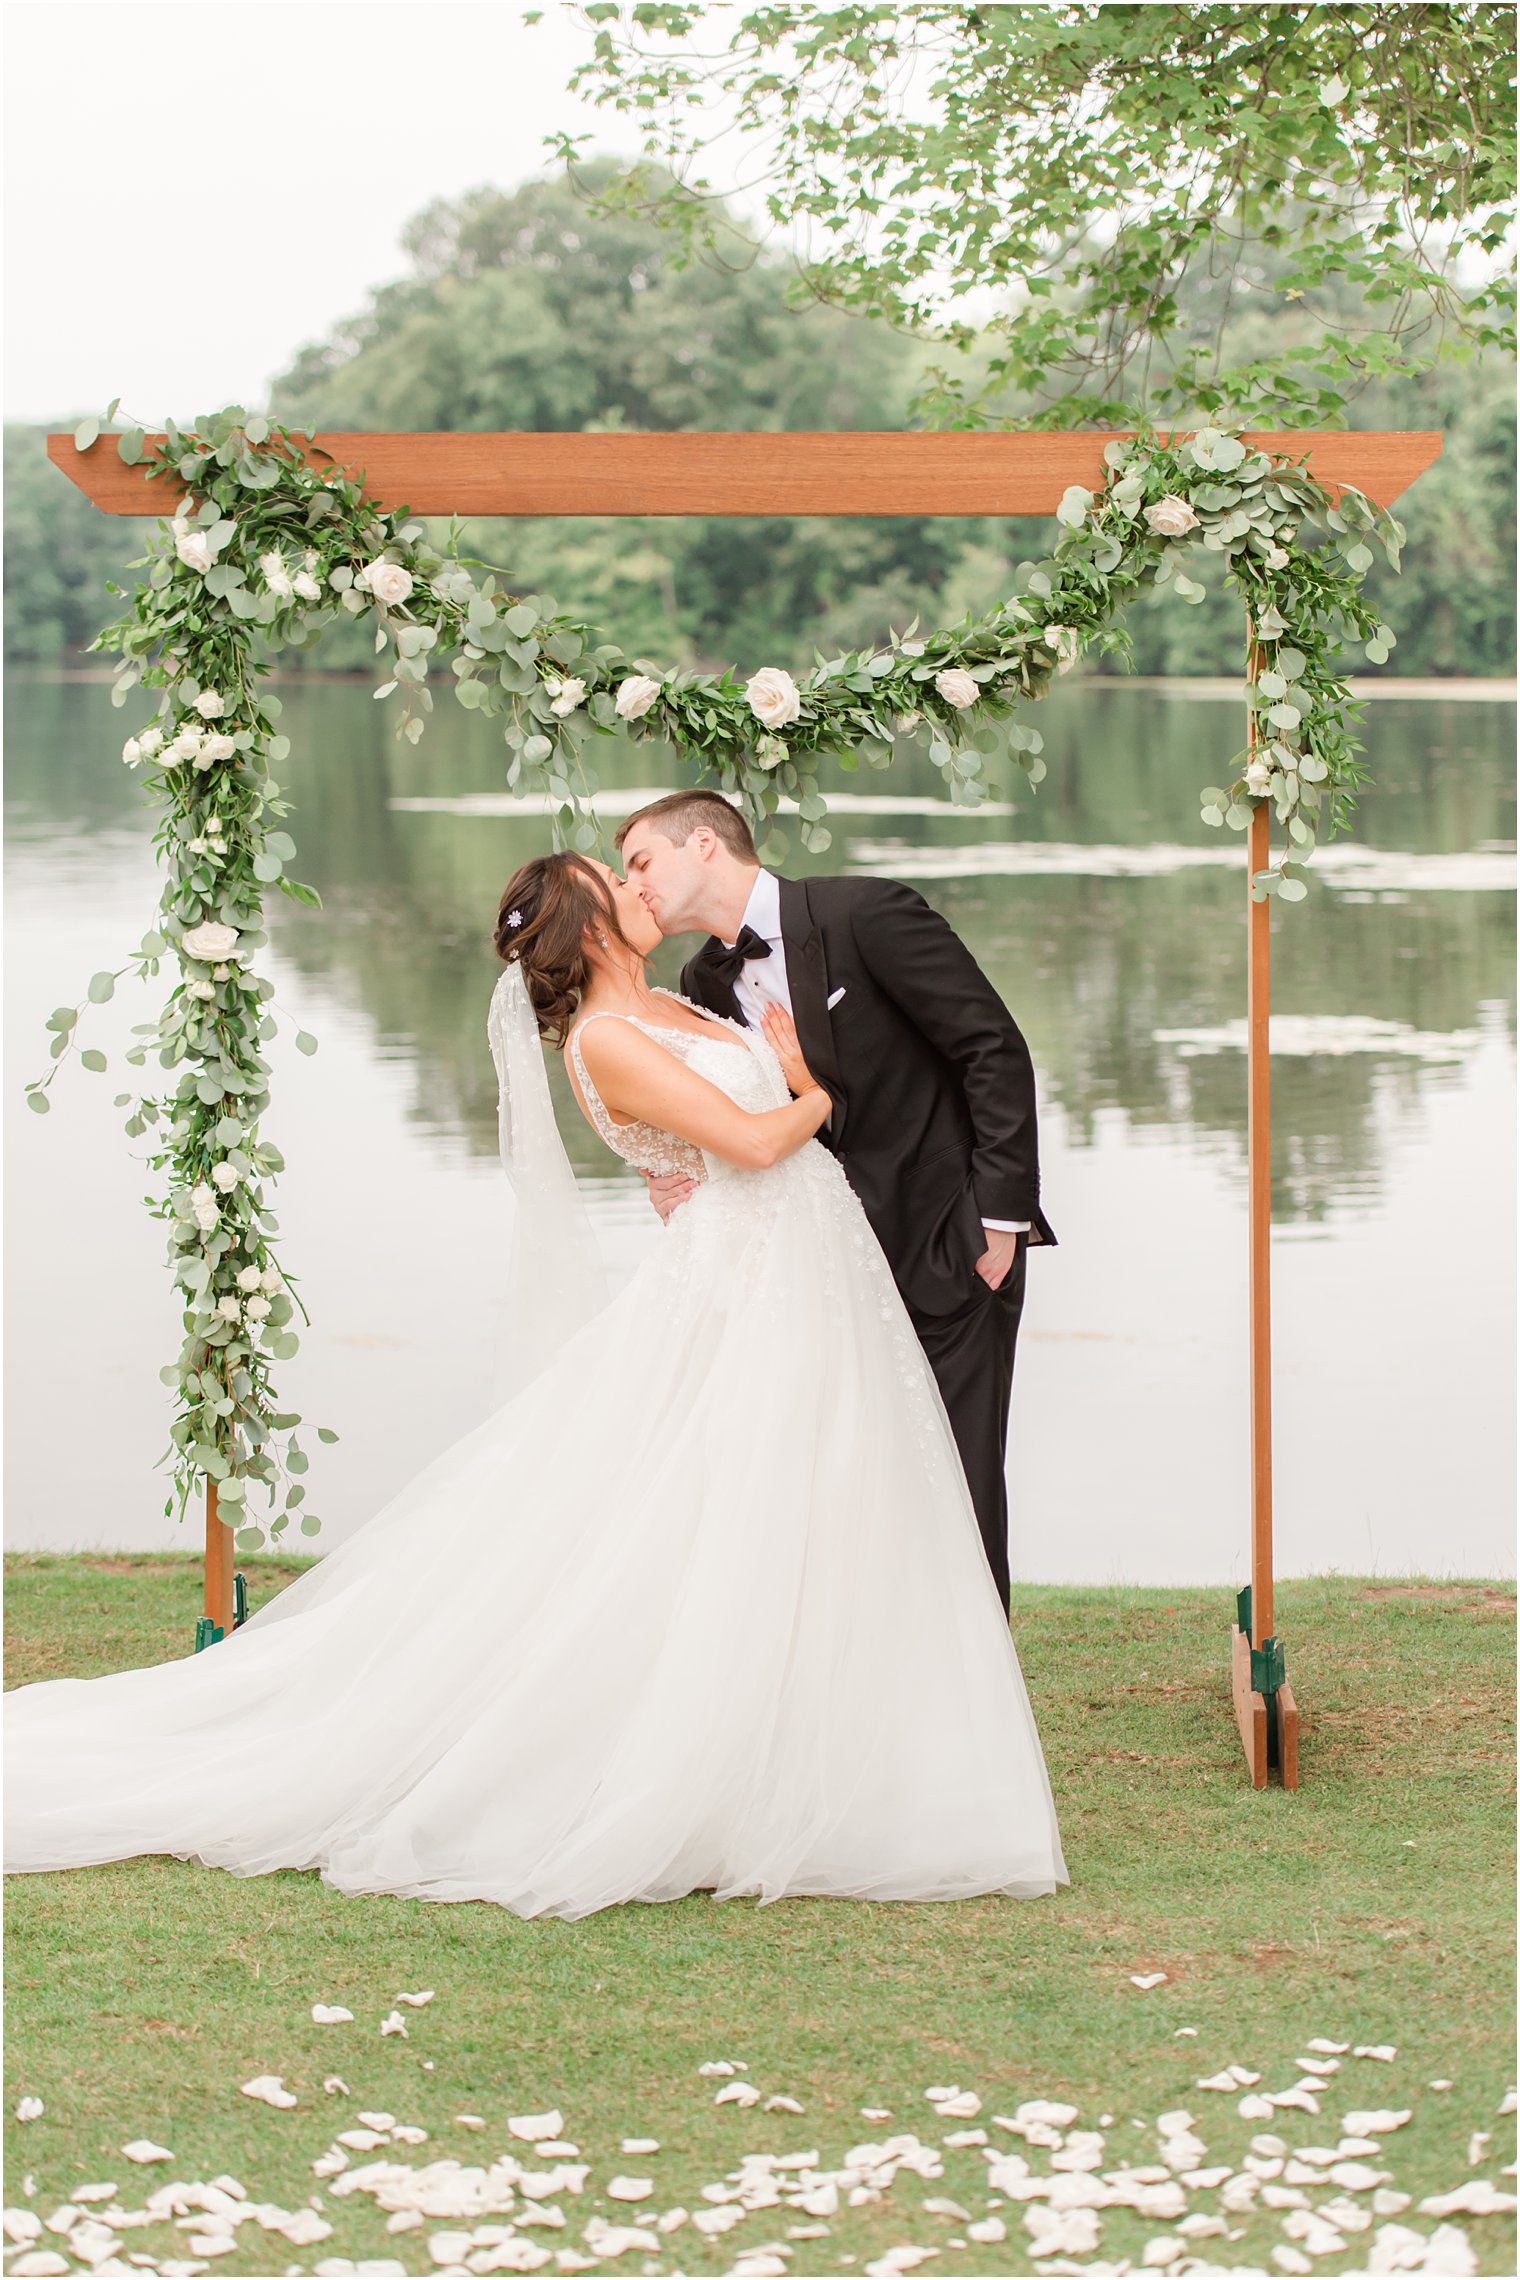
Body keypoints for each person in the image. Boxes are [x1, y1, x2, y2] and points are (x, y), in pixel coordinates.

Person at [4, 852, 1067, 1919]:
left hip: (799, 1276)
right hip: (754, 1289)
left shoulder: (671, 999)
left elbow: (702, 1157)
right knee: (733, 1511)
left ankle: (839, 1747)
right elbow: (747, 1145)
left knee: (821, 1503)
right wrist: (813, 1089)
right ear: (592, 921)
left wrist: (777, 1089)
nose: (639, 888)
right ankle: (709, 1771)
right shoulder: (607, 1040)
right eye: (620, 879)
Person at [616, 790, 1055, 1611]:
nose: (631, 883)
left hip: (948, 1243)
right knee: (853, 1484)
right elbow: (747, 1119)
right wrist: (672, 1168)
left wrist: (998, 1219)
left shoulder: (868, 913)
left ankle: (975, 1702)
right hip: (820, 1268)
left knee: (957, 1480)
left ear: (703, 843)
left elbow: (990, 1048)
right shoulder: (700, 978)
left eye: (641, 861)